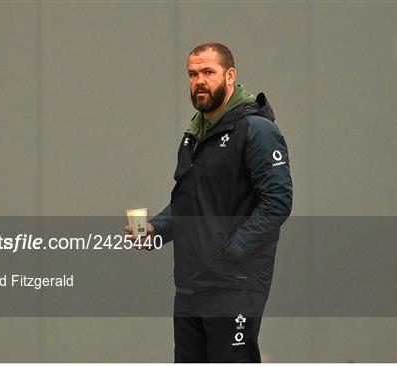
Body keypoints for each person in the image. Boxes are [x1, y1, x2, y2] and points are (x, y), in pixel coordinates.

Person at [125, 42, 293, 363]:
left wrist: (229, 251)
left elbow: (278, 201)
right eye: (192, 74)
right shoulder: (195, 133)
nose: (199, 80)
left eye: (208, 72)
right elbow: (189, 204)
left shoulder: (256, 129)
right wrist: (153, 230)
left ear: (230, 76)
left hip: (235, 284)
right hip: (191, 286)